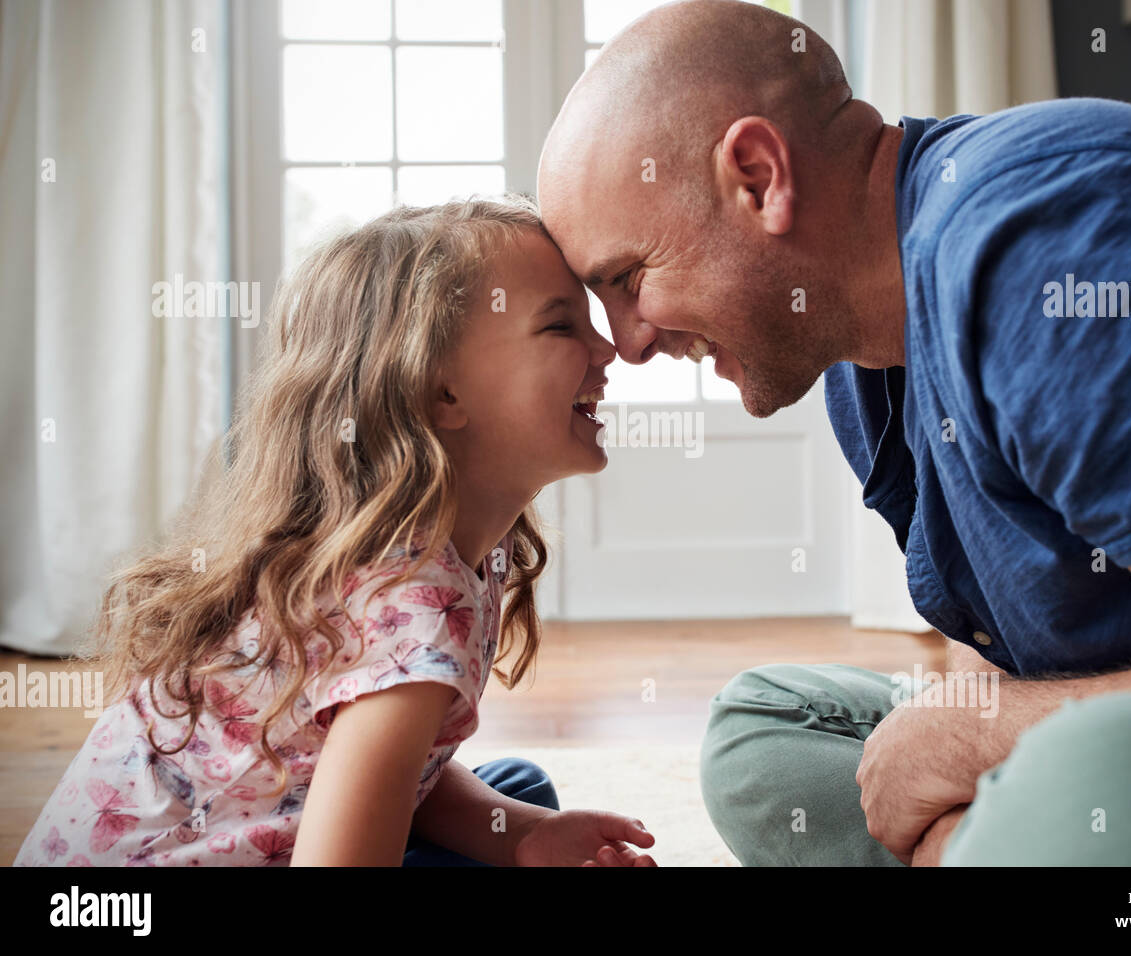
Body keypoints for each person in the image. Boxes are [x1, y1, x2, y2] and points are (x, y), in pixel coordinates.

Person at [536, 0, 1131, 865]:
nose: (629, 342)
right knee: (765, 729)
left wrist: (985, 742)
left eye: (630, 276)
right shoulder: (858, 369)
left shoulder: (1044, 252)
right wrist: (979, 742)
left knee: (1098, 771)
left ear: (757, 176)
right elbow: (1014, 659)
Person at [14, 197, 656, 867]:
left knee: (522, 796)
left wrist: (525, 835)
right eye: (560, 327)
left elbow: (394, 768)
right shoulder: (411, 606)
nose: (608, 348)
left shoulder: (443, 550)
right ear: (441, 394)